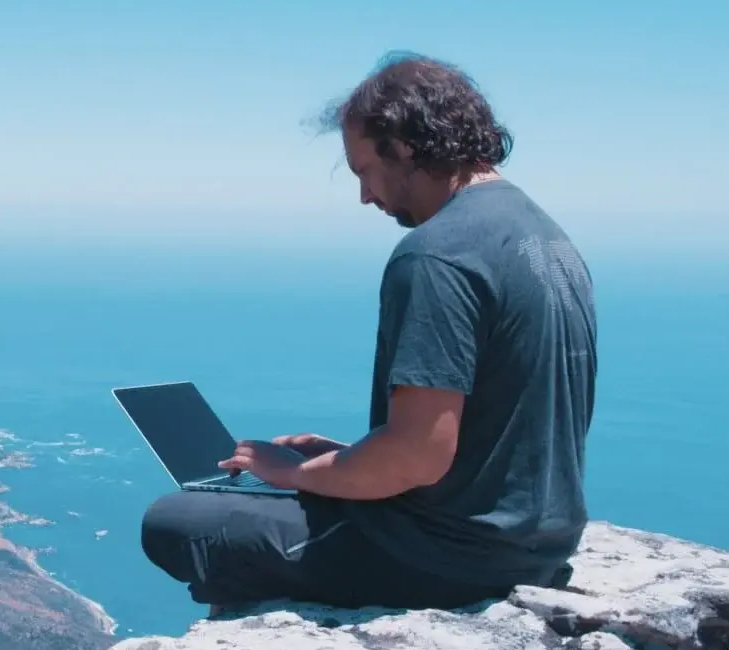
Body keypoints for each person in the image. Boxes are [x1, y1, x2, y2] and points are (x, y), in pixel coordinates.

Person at [140, 52, 597, 613]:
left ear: (403, 148)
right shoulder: (547, 237)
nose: (365, 196)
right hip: (539, 544)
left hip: (446, 558)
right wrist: (346, 460)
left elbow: (416, 457)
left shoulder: (436, 255)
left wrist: (296, 473)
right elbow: (484, 435)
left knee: (174, 520)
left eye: (363, 171)